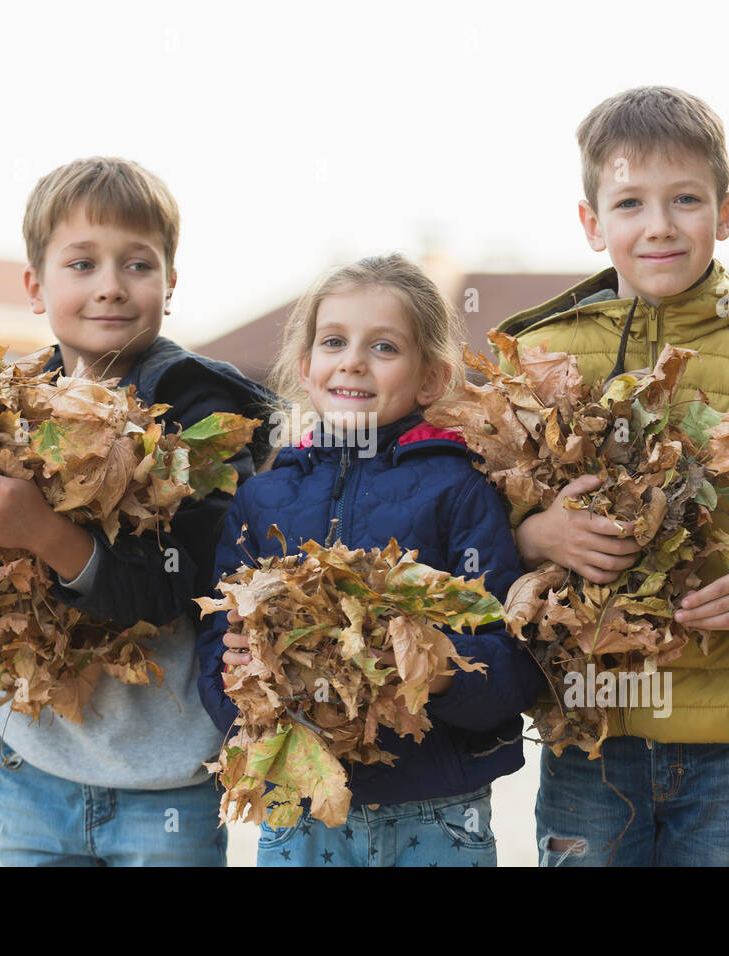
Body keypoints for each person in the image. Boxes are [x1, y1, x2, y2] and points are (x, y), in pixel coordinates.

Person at [0, 156, 274, 866]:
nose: (110, 286)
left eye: (137, 265)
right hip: (33, 771)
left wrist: (49, 537)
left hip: (165, 783)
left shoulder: (203, 412)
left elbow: (181, 582)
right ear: (35, 285)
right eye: (81, 264)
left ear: (170, 284)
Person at [493, 86, 729, 866]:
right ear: (593, 224)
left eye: (685, 199)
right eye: (630, 202)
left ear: (725, 213)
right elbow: (467, 522)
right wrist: (534, 534)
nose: (659, 224)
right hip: (589, 734)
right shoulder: (533, 358)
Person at [196, 253, 545, 866]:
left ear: (431, 379)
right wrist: (239, 677)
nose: (353, 360)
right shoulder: (260, 498)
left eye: (383, 347)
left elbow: (512, 662)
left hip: (438, 808)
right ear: (306, 368)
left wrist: (433, 669)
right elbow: (212, 647)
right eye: (335, 342)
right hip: (299, 806)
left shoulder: (458, 490)